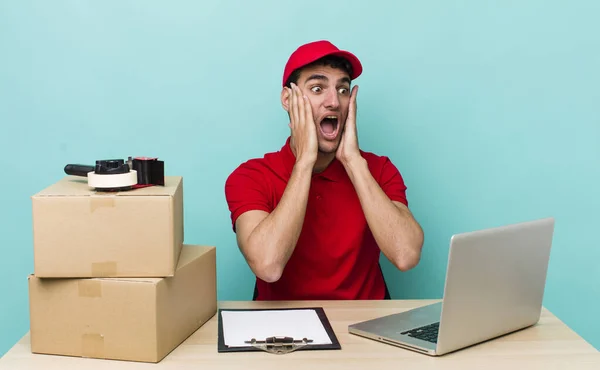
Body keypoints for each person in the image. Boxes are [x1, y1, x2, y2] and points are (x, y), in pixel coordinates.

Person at [224, 40, 424, 301]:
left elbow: (406, 255)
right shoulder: (251, 176)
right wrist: (305, 161)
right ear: (288, 99)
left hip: (364, 328)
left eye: (343, 90)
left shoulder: (379, 169)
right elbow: (268, 266)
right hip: (285, 333)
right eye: (318, 88)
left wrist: (353, 162)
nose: (334, 102)